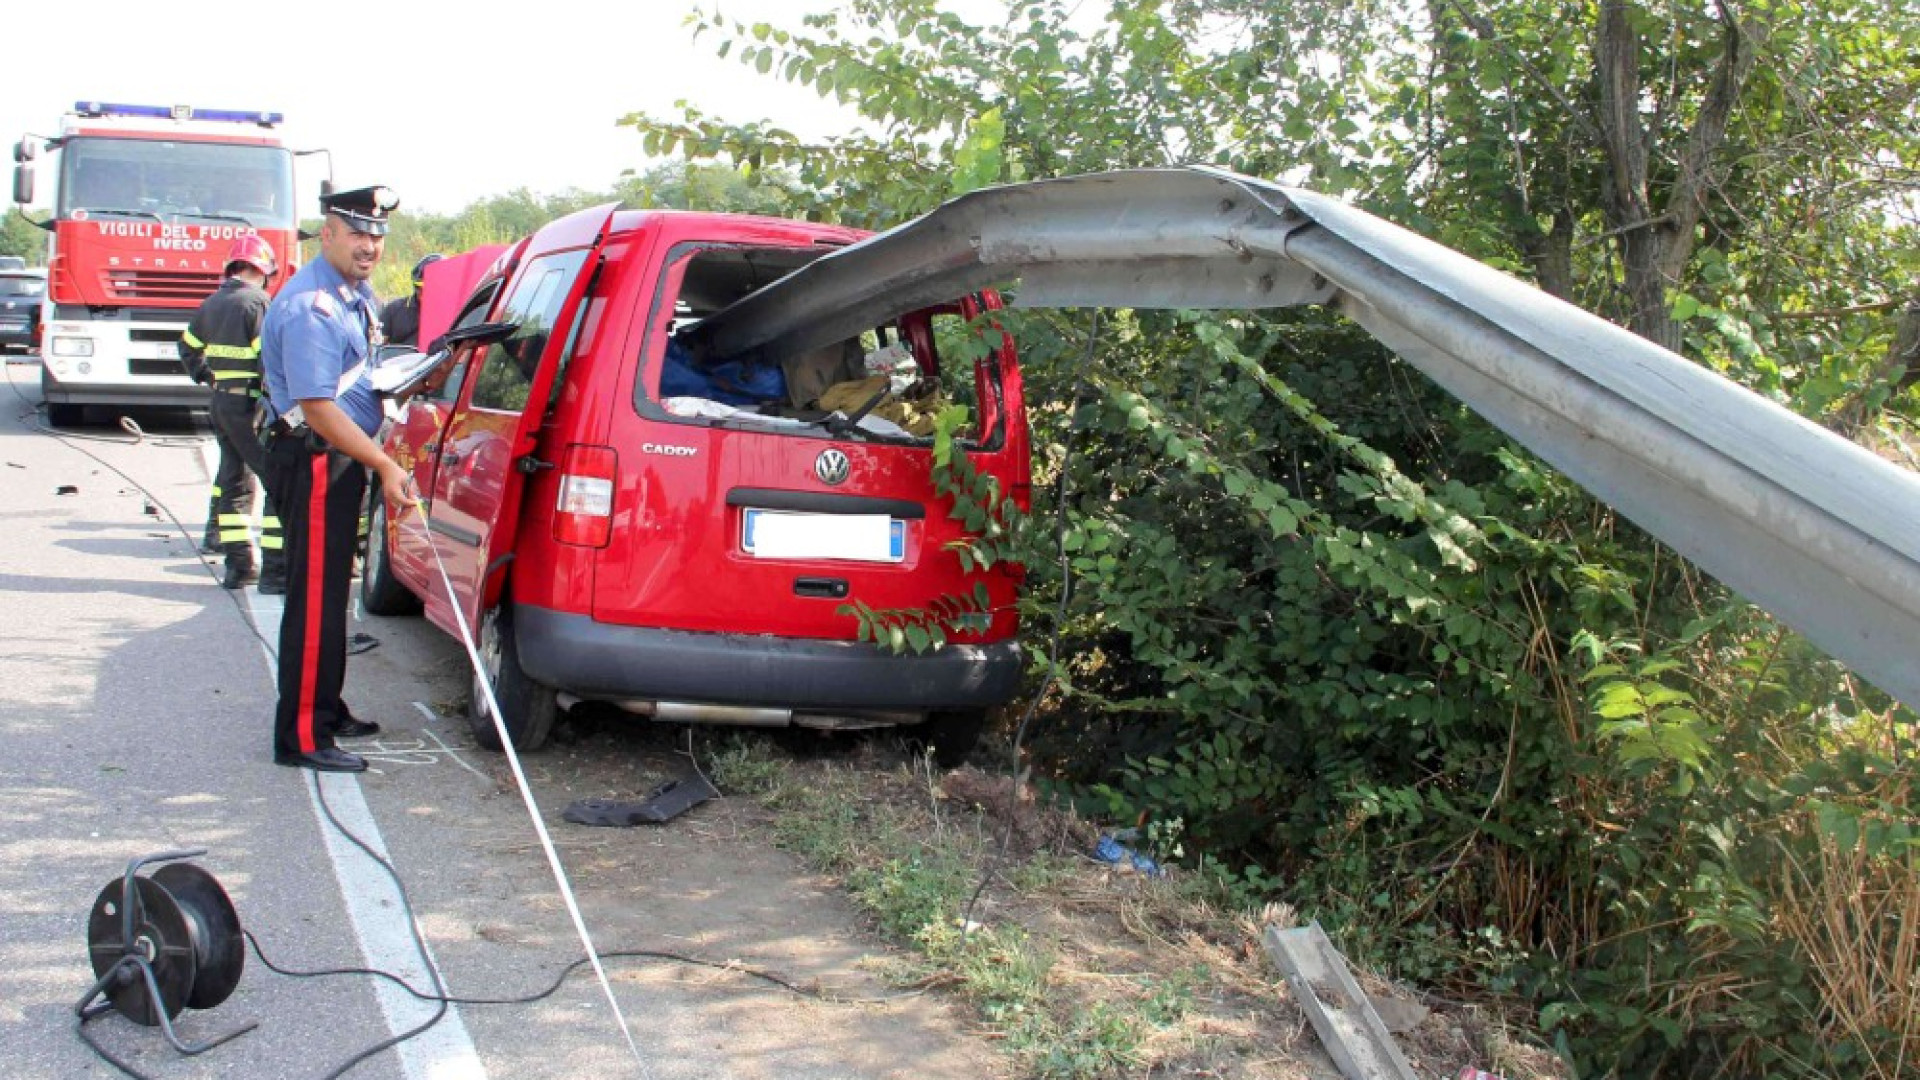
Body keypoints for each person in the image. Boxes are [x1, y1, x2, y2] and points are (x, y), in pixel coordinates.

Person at [259, 185, 411, 773]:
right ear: (327, 234)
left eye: (377, 235)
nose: (369, 245)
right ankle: (301, 735)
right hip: (316, 456)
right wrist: (385, 464)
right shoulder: (312, 308)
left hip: (337, 456)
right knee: (316, 598)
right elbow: (318, 408)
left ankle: (325, 706)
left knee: (332, 596)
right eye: (357, 233)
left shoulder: (354, 295)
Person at [180, 235, 288, 591]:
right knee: (277, 480)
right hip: (250, 406)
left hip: (221, 403)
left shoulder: (211, 304)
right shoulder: (258, 303)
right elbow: (269, 359)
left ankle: (238, 567)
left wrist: (207, 376)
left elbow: (187, 348)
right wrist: (278, 406)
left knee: (233, 483)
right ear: (263, 270)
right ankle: (275, 571)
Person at [379, 253, 442, 348]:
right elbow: (377, 345)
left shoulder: (456, 313)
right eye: (420, 288)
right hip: (403, 356)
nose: (425, 293)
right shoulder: (394, 310)